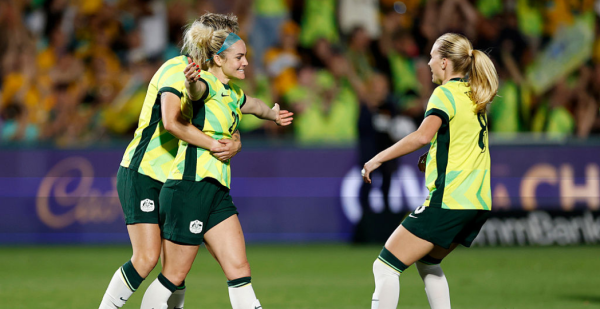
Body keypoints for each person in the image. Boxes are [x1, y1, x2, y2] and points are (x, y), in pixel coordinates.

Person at [138, 20, 293, 309]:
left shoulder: (232, 93)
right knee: (172, 276)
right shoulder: (206, 84)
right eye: (239, 57)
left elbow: (255, 105)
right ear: (218, 60)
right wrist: (190, 81)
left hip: (217, 192)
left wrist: (272, 115)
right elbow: (195, 93)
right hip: (188, 188)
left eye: (245, 56)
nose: (246, 62)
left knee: (239, 269)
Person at [98, 13, 245, 309]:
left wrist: (235, 143)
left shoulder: (213, 83)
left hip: (174, 180)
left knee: (176, 270)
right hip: (143, 171)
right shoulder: (177, 69)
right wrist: (216, 145)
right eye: (224, 38)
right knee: (146, 258)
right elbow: (171, 122)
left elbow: (228, 122)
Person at [361, 33, 498, 309]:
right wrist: (434, 155)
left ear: (445, 62)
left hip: (450, 200)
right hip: (477, 201)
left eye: (433, 56)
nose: (428, 62)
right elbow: (459, 142)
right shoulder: (474, 95)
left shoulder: (444, 94)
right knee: (428, 263)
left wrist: (378, 158)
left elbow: (422, 135)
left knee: (384, 266)